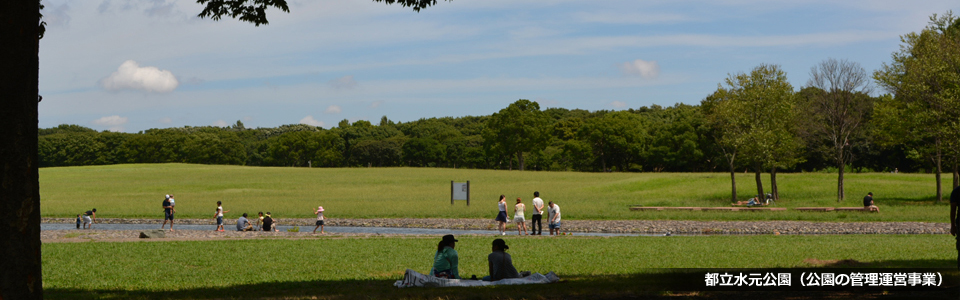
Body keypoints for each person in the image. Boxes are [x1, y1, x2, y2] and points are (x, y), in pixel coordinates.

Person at [950, 185, 960, 270]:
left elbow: (953, 210)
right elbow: (953, 210)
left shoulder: (956, 191)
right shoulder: (956, 192)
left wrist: (953, 225)